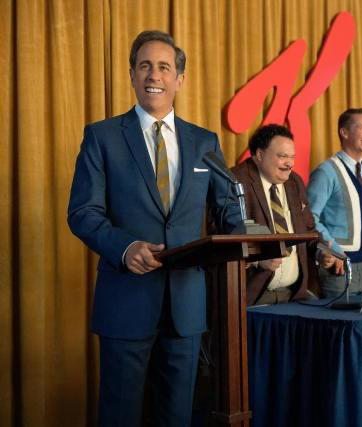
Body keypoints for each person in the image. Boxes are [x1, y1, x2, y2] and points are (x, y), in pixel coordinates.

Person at [67, 30, 241, 426]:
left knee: (177, 417)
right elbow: (83, 212)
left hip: (186, 307)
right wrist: (125, 247)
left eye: (164, 67)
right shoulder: (102, 137)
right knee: (121, 416)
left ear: (180, 79)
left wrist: (255, 240)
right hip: (125, 301)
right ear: (131, 74)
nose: (154, 75)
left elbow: (228, 209)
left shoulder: (204, 142)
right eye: (145, 66)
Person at [231, 124, 336, 305]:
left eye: (292, 157)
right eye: (282, 156)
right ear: (260, 154)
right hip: (253, 295)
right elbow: (224, 233)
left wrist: (321, 252)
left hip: (294, 294)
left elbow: (309, 229)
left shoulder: (294, 182)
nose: (290, 164)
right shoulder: (235, 181)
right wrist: (257, 259)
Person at [307, 108, 362, 296]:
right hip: (337, 269)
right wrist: (334, 250)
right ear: (344, 132)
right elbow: (309, 218)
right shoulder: (326, 171)